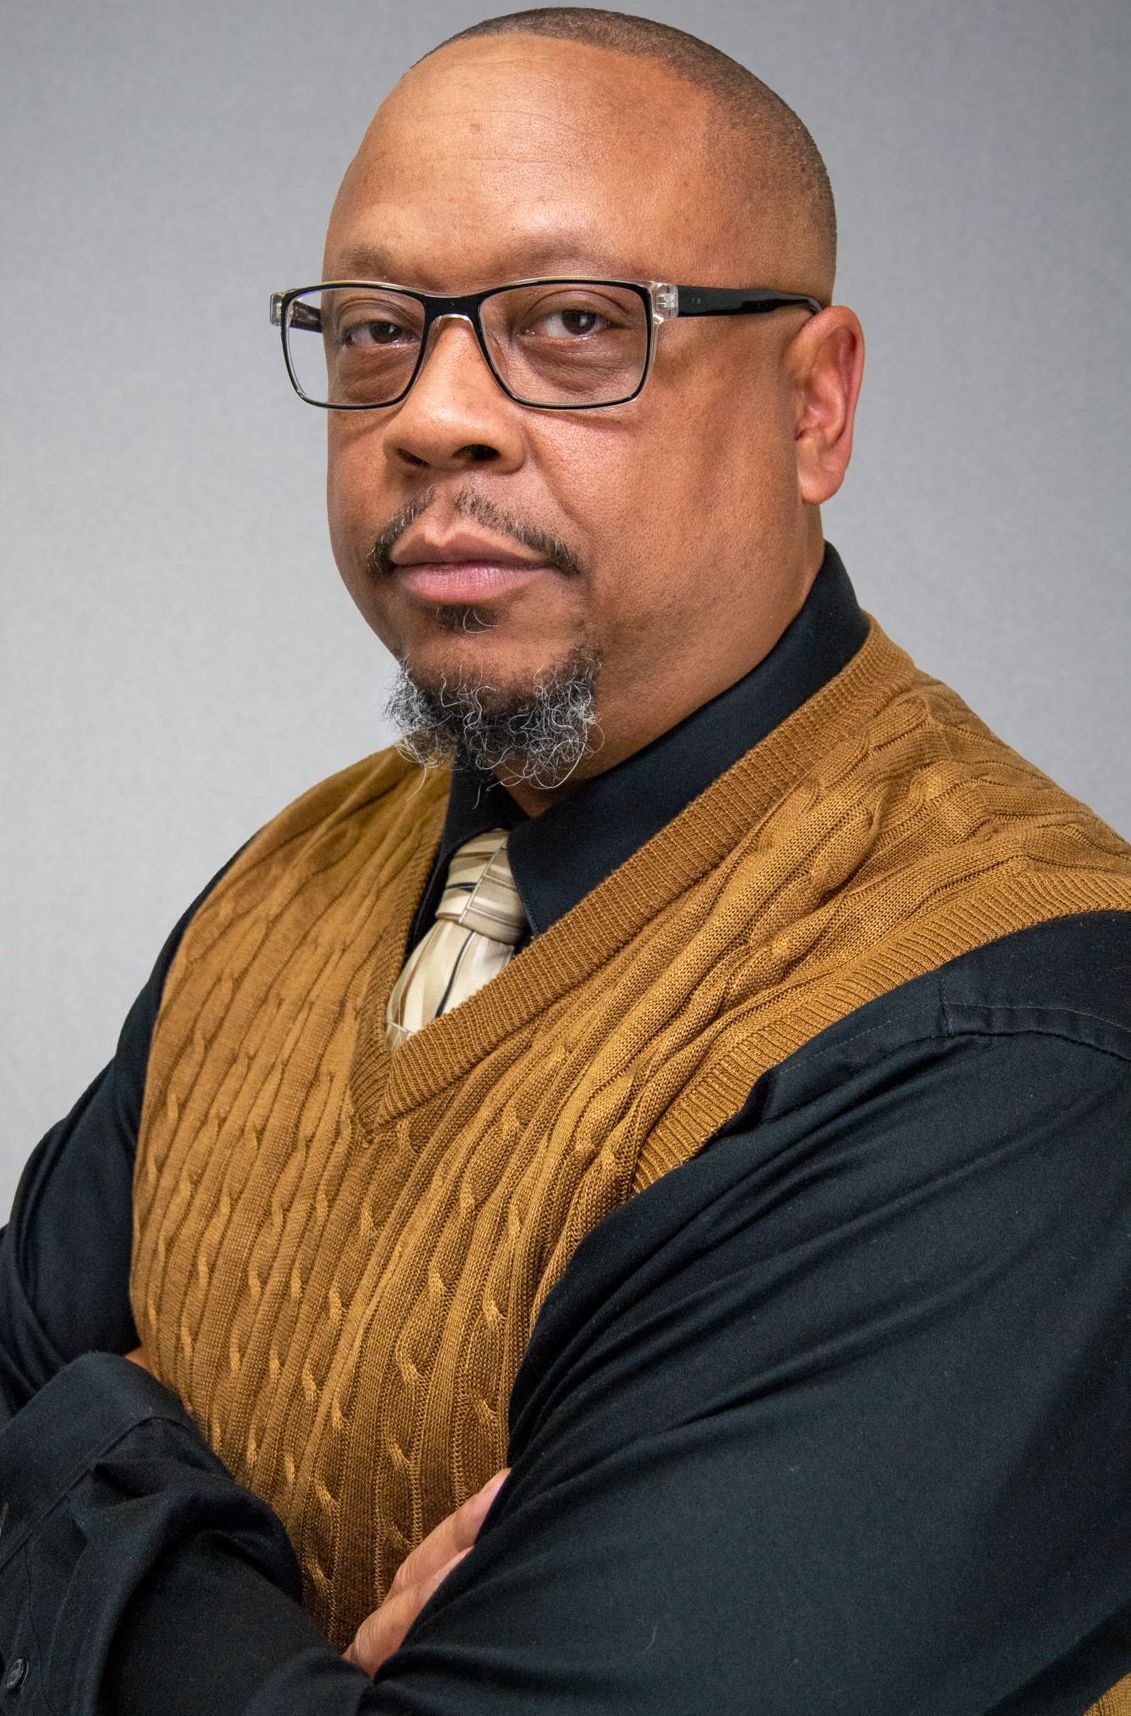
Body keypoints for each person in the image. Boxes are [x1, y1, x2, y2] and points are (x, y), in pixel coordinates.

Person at [1, 8, 1129, 1714]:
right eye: (378, 330)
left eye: (579, 324)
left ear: (815, 405)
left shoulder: (1016, 1040)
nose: (437, 415)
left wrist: (90, 1489)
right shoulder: (281, 885)